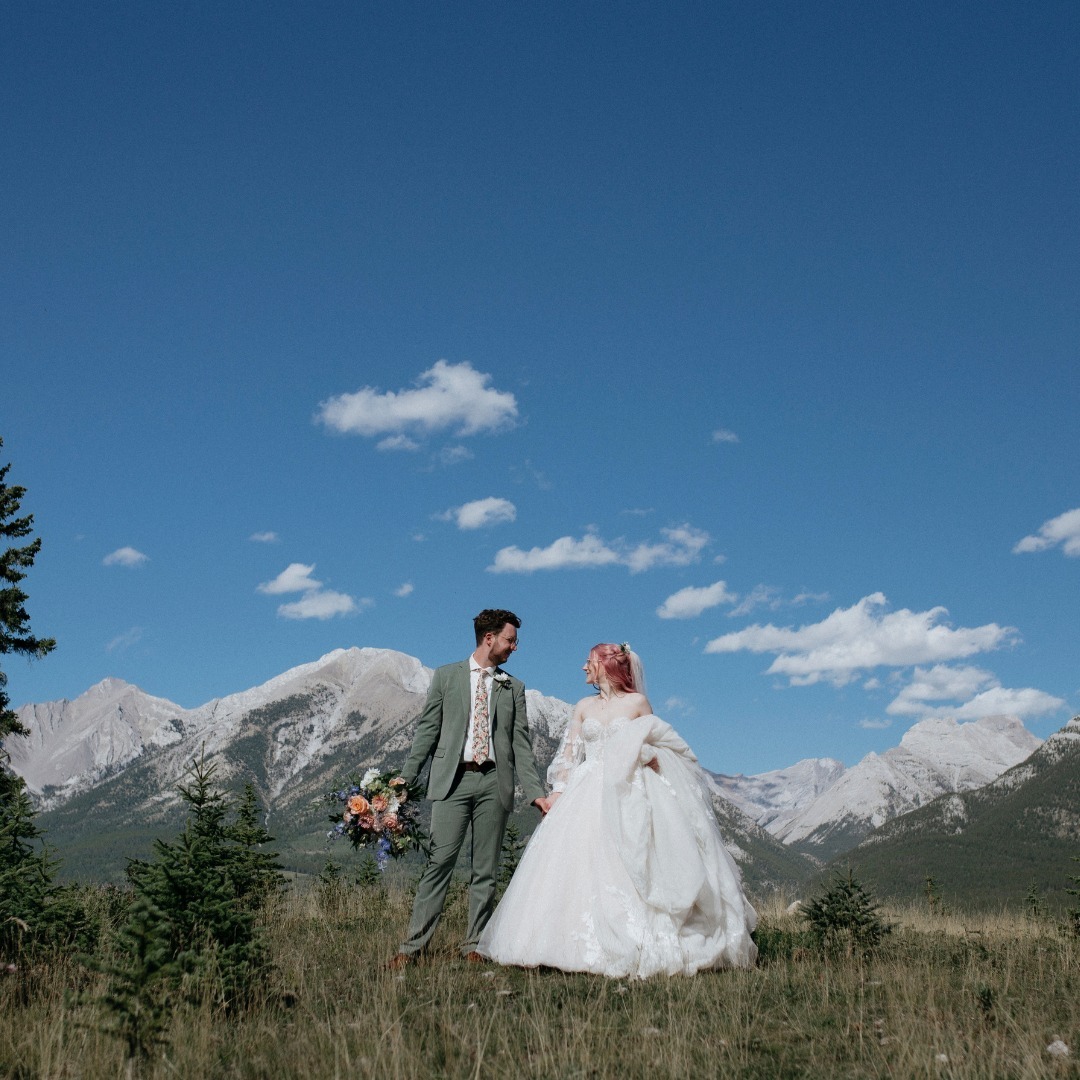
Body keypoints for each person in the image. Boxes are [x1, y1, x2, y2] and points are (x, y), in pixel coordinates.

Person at [477, 642, 758, 977]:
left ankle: (636, 939)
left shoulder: (638, 704)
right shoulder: (582, 706)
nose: (584, 667)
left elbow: (659, 748)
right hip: (587, 789)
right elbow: (568, 756)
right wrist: (557, 793)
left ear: (606, 665)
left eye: (589, 661)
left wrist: (645, 762)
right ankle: (557, 944)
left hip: (631, 790)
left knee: (635, 860)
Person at [387, 609, 549, 968]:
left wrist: (537, 792)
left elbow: (520, 745)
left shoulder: (514, 687)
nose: (514, 647)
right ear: (489, 638)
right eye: (510, 640)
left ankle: (475, 945)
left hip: (495, 781)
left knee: (485, 870)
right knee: (438, 862)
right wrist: (403, 781)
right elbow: (427, 732)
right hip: (452, 781)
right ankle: (411, 949)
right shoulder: (446, 677)